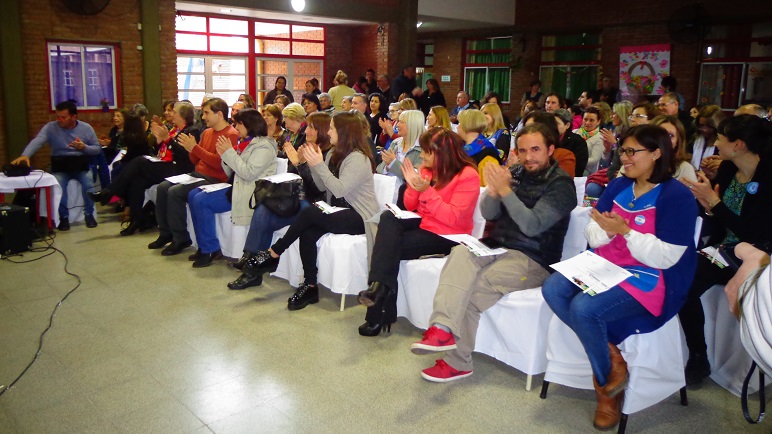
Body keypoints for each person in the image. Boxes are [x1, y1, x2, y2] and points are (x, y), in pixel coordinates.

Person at [542, 124, 697, 430]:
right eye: (622, 150)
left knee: (584, 308)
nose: (624, 158)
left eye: (631, 151)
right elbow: (592, 231)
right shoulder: (618, 185)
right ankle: (613, 358)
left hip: (647, 277)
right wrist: (606, 231)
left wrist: (625, 232)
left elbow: (667, 257)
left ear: (656, 154)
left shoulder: (676, 195)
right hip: (604, 264)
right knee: (552, 289)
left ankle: (605, 391)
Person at [409, 122, 576, 382]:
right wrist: (494, 192)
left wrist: (505, 190)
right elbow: (488, 212)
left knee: (475, 288)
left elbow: (532, 225)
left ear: (550, 150)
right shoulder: (516, 172)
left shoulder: (561, 185)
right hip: (495, 245)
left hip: (533, 258)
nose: (528, 157)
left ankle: (458, 362)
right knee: (460, 254)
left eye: (535, 149)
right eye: (522, 151)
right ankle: (441, 329)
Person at [234, 111, 379, 311]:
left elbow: (339, 189)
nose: (329, 132)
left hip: (360, 215)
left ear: (344, 132)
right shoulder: (333, 154)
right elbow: (321, 187)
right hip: (336, 211)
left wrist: (319, 165)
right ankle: (310, 285)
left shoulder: (358, 159)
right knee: (308, 232)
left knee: (309, 213)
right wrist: (309, 164)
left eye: (332, 129)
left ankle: (274, 252)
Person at [357, 127, 480, 336]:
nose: (421, 156)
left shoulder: (468, 175)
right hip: (425, 222)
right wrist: (412, 186)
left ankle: (377, 307)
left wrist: (427, 191)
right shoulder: (427, 168)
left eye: (426, 151)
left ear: (440, 153)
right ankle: (378, 292)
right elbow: (410, 205)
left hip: (449, 235)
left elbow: (453, 217)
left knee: (388, 248)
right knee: (388, 218)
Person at [679, 114, 772, 385]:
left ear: (738, 144)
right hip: (724, 249)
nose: (716, 143)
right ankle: (698, 355)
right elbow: (721, 219)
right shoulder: (729, 169)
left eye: (720, 138)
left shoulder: (768, 177)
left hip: (758, 255)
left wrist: (715, 203)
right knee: (683, 281)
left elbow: (754, 234)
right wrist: (709, 206)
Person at [228, 111, 333, 287]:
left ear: (321, 130)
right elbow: (293, 178)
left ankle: (252, 267)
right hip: (296, 198)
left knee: (268, 216)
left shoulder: (329, 153)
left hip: (316, 205)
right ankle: (251, 260)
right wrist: (297, 164)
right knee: (264, 208)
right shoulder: (305, 146)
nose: (306, 131)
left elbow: (319, 190)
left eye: (311, 128)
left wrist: (300, 164)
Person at [90, 102, 202, 236]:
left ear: (182, 115)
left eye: (174, 112)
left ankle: (108, 192)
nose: (171, 114)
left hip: (179, 168)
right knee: (137, 181)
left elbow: (185, 155)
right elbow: (158, 150)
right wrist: (159, 140)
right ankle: (135, 220)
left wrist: (167, 139)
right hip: (165, 163)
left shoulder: (191, 130)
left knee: (139, 161)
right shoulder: (174, 129)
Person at [147, 98, 238, 255]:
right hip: (198, 174)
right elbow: (196, 160)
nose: (203, 117)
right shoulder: (207, 132)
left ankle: (180, 238)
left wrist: (195, 148)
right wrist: (191, 149)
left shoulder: (231, 134)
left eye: (206, 113)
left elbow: (220, 164)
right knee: (163, 187)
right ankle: (166, 233)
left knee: (175, 192)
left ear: (219, 114)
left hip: (216, 178)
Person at [187, 109, 277, 267]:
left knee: (201, 201)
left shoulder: (264, 147)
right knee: (194, 194)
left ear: (249, 125)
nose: (236, 127)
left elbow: (248, 173)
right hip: (238, 185)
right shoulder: (247, 143)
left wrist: (229, 153)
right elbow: (232, 171)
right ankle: (204, 245)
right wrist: (225, 155)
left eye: (238, 124)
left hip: (250, 191)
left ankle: (210, 249)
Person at [12, 100, 100, 230]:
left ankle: (89, 215)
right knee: (58, 185)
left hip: (80, 165)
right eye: (58, 116)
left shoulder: (86, 128)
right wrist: (26, 155)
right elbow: (38, 141)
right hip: (60, 166)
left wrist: (84, 147)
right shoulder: (51, 128)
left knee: (88, 184)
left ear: (74, 117)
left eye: (63, 117)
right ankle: (63, 217)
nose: (59, 120)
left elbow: (97, 149)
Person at [377, 110, 425, 185]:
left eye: (401, 122)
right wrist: (387, 167)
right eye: (398, 121)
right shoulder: (395, 143)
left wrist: (393, 163)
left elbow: (414, 178)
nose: (397, 125)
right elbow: (379, 169)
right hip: (387, 186)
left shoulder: (423, 149)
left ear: (412, 125)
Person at [456, 109, 501, 185]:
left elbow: (487, 187)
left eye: (459, 123)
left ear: (467, 125)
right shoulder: (459, 147)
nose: (457, 127)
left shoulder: (487, 155)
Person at [553, 109, 589, 176]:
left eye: (557, 123)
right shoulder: (548, 139)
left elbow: (578, 168)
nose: (553, 126)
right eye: (552, 123)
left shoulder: (578, 142)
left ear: (567, 125)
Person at [690, 104, 724, 172]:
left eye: (709, 126)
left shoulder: (723, 145)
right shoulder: (693, 139)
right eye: (701, 125)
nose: (705, 130)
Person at [574, 106, 604, 175]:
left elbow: (594, 159)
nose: (587, 123)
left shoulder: (600, 138)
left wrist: (575, 161)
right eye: (585, 119)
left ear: (598, 121)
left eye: (591, 120)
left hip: (588, 172)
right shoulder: (575, 132)